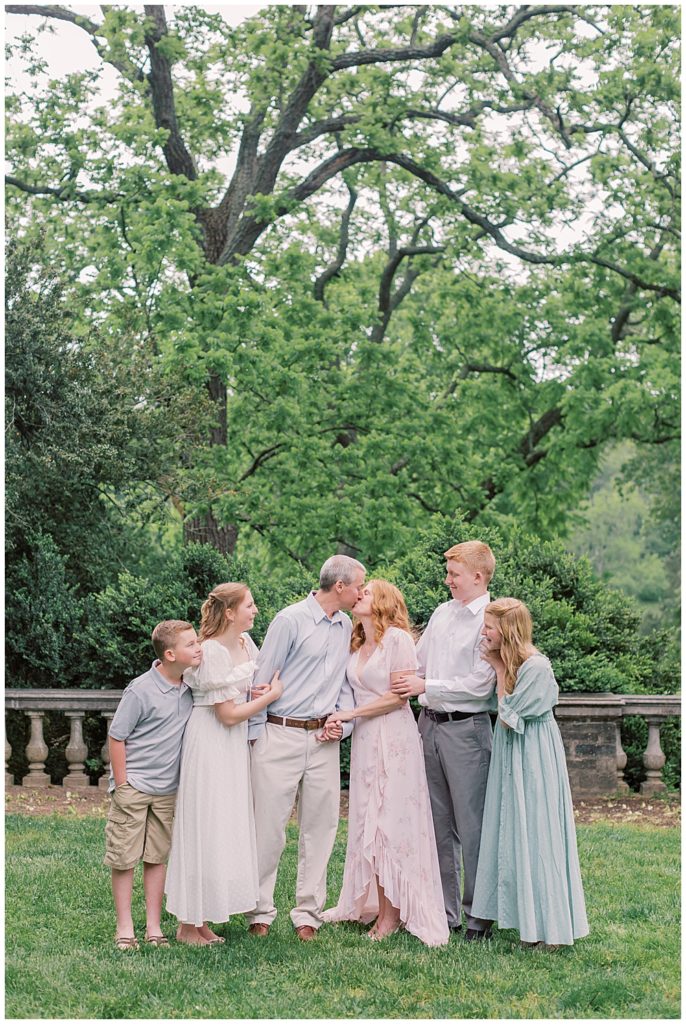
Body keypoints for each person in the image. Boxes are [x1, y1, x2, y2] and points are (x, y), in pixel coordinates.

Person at [321, 580, 449, 946]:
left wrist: (351, 713)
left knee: (390, 823)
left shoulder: (398, 640)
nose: (359, 594)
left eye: (367, 591)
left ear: (383, 602)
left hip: (393, 737)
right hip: (364, 740)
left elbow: (398, 698)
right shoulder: (356, 640)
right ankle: (376, 904)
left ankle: (393, 914)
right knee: (368, 821)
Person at [246, 554, 366, 941]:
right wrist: (253, 738)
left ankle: (307, 915)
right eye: (360, 586)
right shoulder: (289, 620)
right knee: (268, 826)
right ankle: (258, 911)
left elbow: (345, 687)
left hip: (323, 741)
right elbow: (262, 679)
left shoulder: (346, 624)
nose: (363, 592)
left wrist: (341, 726)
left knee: (321, 826)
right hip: (279, 733)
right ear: (341, 586)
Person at [164, 583, 282, 945]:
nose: (256, 610)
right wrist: (271, 698)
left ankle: (202, 919)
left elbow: (245, 688)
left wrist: (259, 691)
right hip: (212, 741)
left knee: (222, 826)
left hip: (232, 745)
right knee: (204, 824)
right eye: (249, 605)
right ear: (229, 612)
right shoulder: (212, 650)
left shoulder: (247, 644)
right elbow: (227, 714)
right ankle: (187, 924)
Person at [392, 540, 497, 940]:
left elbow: (479, 685)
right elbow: (416, 662)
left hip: (467, 731)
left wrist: (425, 685)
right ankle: (445, 911)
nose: (447, 579)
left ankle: (478, 916)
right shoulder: (442, 613)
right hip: (429, 726)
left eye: (454, 573)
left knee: (473, 827)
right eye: (447, 572)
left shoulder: (491, 619)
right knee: (436, 824)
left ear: (477, 576)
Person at [472, 597, 589, 948]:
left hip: (533, 753)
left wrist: (497, 670)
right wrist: (499, 668)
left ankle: (550, 929)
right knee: (515, 829)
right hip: (513, 750)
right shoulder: (513, 663)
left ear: (507, 630)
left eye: (490, 626)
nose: (485, 632)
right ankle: (526, 921)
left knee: (538, 831)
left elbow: (510, 714)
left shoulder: (536, 666)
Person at [104, 619, 200, 950]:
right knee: (124, 857)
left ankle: (154, 928)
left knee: (157, 857)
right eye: (191, 644)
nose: (198, 647)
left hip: (167, 791)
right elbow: (117, 737)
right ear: (170, 654)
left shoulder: (190, 689)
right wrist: (123, 784)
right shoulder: (140, 690)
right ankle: (125, 928)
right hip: (135, 788)